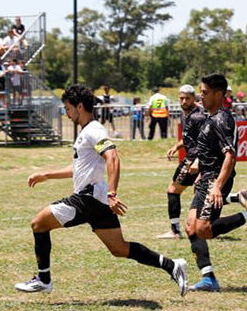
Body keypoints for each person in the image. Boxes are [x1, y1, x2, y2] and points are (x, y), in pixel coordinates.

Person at [14, 83, 188, 296]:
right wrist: (47, 175)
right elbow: (79, 168)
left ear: (79, 106)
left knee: (39, 223)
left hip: (88, 198)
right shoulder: (86, 132)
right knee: (120, 249)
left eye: (68, 109)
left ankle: (44, 279)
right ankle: (173, 265)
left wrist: (112, 192)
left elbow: (112, 156)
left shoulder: (94, 130)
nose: (67, 114)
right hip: (97, 201)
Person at [186, 73, 247, 292]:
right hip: (206, 178)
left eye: (205, 93)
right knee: (191, 227)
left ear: (219, 94)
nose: (201, 96)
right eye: (201, 92)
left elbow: (230, 155)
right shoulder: (210, 116)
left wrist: (217, 185)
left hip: (216, 179)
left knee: (204, 229)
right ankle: (208, 278)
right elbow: (212, 151)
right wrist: (200, 171)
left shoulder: (222, 119)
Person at [159, 84, 207, 240]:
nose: (184, 101)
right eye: (181, 98)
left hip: (194, 159)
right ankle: (236, 197)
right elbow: (188, 137)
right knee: (202, 192)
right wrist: (176, 146)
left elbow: (206, 140)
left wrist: (198, 161)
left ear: (194, 98)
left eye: (187, 98)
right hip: (195, 157)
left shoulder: (198, 116)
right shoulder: (186, 113)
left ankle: (175, 231)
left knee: (173, 190)